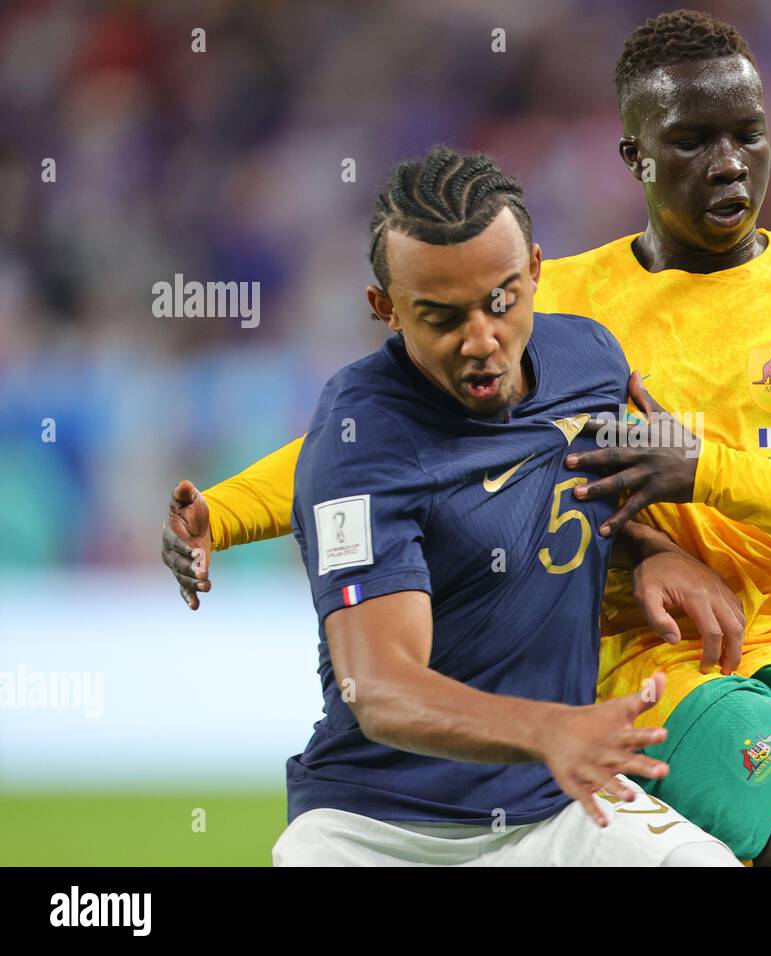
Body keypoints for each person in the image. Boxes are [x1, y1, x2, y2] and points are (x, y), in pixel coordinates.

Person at [164, 10, 771, 867]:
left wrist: (704, 474)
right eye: (690, 140)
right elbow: (375, 438)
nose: (726, 163)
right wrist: (221, 515)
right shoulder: (550, 306)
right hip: (657, 668)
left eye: (748, 135)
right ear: (633, 156)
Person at [167, 144, 739, 866]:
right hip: (376, 829)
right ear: (385, 309)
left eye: (502, 300)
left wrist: (655, 551)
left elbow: (585, 482)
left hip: (557, 809)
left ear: (534, 269)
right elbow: (376, 687)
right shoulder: (358, 446)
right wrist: (551, 730)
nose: (482, 342)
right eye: (441, 317)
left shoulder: (591, 362)